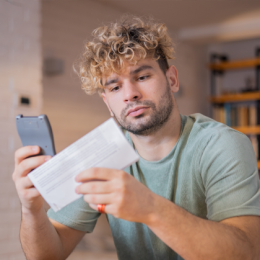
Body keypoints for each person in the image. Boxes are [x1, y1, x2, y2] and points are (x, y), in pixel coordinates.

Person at [13, 16, 260, 260]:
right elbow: (47, 256)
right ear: (107, 103)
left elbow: (245, 253)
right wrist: (32, 209)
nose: (130, 94)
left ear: (171, 79)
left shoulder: (221, 144)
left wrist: (150, 208)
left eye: (142, 77)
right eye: (115, 87)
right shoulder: (102, 154)